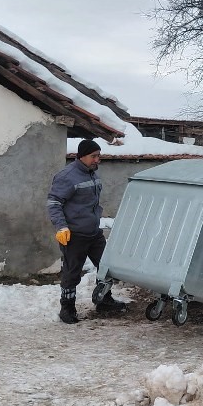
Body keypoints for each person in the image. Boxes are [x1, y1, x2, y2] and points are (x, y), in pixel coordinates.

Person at [47, 138, 126, 324]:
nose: (97, 160)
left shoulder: (92, 174)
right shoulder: (67, 176)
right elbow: (54, 203)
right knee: (72, 272)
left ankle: (104, 300)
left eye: (99, 156)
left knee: (106, 266)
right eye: (94, 156)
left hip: (93, 232)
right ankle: (67, 308)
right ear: (82, 156)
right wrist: (61, 227)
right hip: (74, 234)